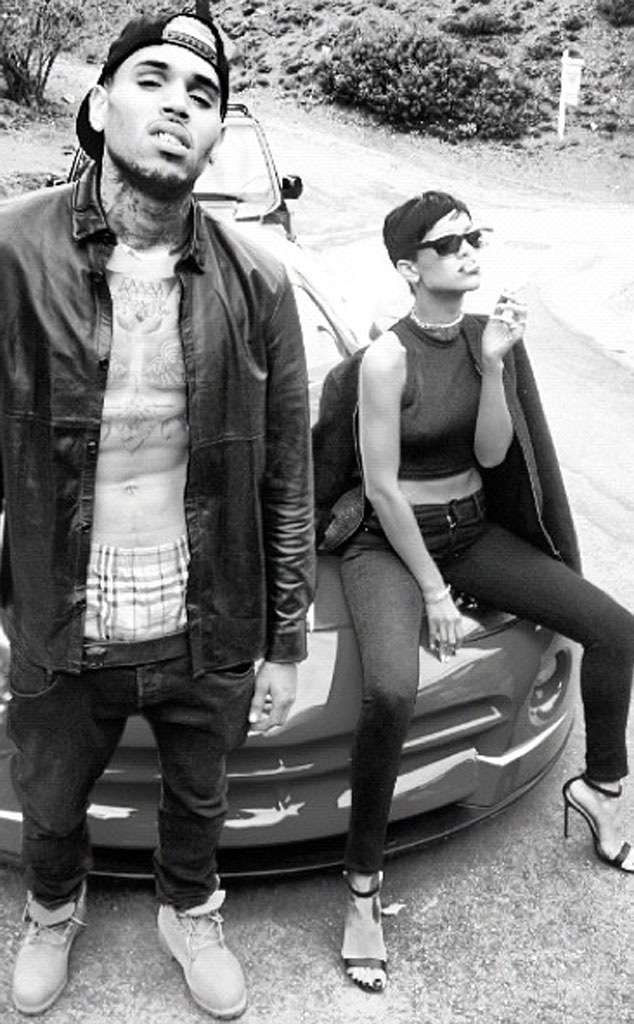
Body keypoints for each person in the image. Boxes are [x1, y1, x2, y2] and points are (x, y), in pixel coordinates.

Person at [0, 11, 314, 1018]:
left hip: (205, 611)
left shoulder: (259, 279)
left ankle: (190, 909)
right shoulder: (11, 251)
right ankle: (54, 909)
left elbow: (287, 473)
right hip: (61, 610)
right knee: (50, 797)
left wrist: (285, 640)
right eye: (152, 79)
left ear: (218, 133)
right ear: (99, 106)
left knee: (200, 794)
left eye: (204, 93)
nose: (179, 102)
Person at [312, 190, 634, 994]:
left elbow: (492, 455)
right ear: (407, 268)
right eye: (447, 243)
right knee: (391, 690)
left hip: (470, 529)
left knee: (617, 629)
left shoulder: (483, 339)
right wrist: (433, 592)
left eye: (472, 236)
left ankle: (603, 789)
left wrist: (494, 365)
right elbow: (380, 489)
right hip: (391, 543)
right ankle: (362, 889)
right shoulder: (387, 360)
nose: (467, 251)